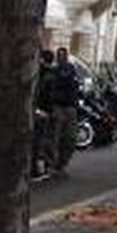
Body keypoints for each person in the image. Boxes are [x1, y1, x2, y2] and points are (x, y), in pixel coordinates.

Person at [46, 47, 80, 176]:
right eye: (59, 55)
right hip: (58, 106)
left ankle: (61, 163)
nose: (61, 58)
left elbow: (76, 87)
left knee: (69, 138)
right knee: (55, 137)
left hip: (70, 106)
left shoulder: (72, 70)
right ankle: (54, 164)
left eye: (63, 55)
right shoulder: (53, 72)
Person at [32, 50, 56, 179]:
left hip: (41, 110)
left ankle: (40, 167)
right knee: (41, 141)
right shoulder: (49, 74)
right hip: (43, 111)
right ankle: (40, 168)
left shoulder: (44, 74)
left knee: (40, 141)